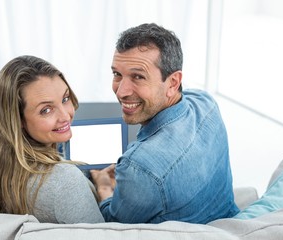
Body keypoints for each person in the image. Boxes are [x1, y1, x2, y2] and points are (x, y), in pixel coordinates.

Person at [90, 23, 240, 224]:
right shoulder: (206, 103)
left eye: (138, 76)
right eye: (117, 74)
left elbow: (114, 227)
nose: (121, 91)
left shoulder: (139, 167)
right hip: (227, 219)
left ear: (173, 83)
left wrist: (104, 187)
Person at [0, 55, 104, 224]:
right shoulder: (65, 182)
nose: (66, 115)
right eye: (46, 110)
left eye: (65, 99)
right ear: (18, 120)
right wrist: (105, 191)